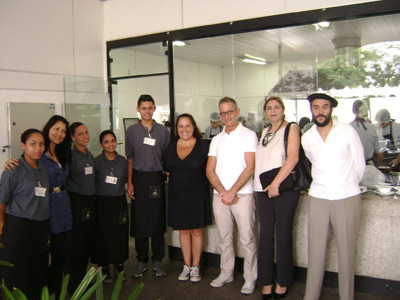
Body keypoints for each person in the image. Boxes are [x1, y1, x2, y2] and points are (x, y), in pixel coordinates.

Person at [302, 93, 365, 300]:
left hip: (346, 197)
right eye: (316, 107)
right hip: (319, 196)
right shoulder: (307, 137)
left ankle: (347, 297)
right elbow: (313, 162)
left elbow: (359, 165)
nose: (320, 111)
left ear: (331, 109)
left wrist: (345, 185)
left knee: (346, 252)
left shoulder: (347, 132)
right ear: (312, 110)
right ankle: (311, 296)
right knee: (316, 252)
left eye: (325, 107)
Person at [3, 116, 73, 297]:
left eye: (64, 131)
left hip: (56, 212)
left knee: (50, 259)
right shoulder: (31, 161)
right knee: (23, 264)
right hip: (29, 218)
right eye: (57, 129)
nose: (60, 133)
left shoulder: (59, 155)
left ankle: (50, 293)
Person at [206, 96, 258, 295]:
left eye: (230, 112)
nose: (226, 116)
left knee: (247, 239)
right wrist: (223, 192)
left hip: (242, 196)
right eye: (223, 113)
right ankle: (226, 272)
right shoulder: (217, 139)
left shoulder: (249, 135)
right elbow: (210, 170)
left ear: (237, 112)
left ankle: (250, 277)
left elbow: (250, 167)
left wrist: (232, 191)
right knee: (224, 238)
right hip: (220, 197)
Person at [254, 96, 300, 299]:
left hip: (283, 190)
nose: (273, 111)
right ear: (265, 112)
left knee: (282, 235)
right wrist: (265, 186)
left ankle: (283, 281)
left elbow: (293, 158)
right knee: (264, 236)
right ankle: (265, 280)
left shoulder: (291, 128)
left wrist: (275, 184)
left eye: (277, 107)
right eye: (269, 108)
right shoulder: (264, 132)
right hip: (262, 190)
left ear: (283, 110)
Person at [0, 129, 50, 300]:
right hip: (18, 228)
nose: (38, 148)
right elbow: (1, 203)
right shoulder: (13, 169)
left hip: (40, 228)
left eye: (41, 144)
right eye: (33, 144)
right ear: (23, 146)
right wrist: (2, 229)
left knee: (37, 271)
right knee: (18, 274)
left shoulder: (43, 168)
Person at [125, 94, 170, 278]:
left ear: (154, 108)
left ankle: (158, 260)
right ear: (138, 109)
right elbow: (130, 159)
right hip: (139, 178)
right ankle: (141, 260)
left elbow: (167, 158)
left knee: (157, 219)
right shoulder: (132, 131)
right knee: (140, 220)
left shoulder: (162, 132)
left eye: (150, 108)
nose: (147, 111)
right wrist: (130, 182)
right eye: (144, 108)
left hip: (156, 178)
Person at [164, 114, 212, 282]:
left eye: (187, 126)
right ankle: (187, 265)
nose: (184, 129)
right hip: (178, 195)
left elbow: (211, 169)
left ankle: (196, 267)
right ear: (177, 129)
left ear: (194, 127)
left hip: (198, 194)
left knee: (197, 230)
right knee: (183, 231)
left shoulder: (204, 146)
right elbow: (168, 170)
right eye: (181, 126)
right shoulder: (171, 147)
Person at [92, 130, 129, 283]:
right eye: (106, 142)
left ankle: (119, 264)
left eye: (113, 141)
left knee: (119, 232)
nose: (110, 144)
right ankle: (104, 266)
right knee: (103, 233)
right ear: (102, 144)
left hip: (119, 201)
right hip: (102, 202)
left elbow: (126, 179)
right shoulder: (97, 161)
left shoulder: (122, 160)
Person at [65, 122, 96, 294]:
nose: (85, 136)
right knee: (75, 244)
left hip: (89, 203)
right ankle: (73, 284)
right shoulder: (71, 155)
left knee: (85, 242)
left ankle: (83, 279)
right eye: (80, 134)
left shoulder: (89, 154)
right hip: (76, 203)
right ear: (72, 137)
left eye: (86, 132)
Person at [349, 100, 383, 166]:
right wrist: (376, 168)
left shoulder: (348, 128)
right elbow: (380, 155)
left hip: (354, 167)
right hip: (370, 166)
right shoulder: (373, 128)